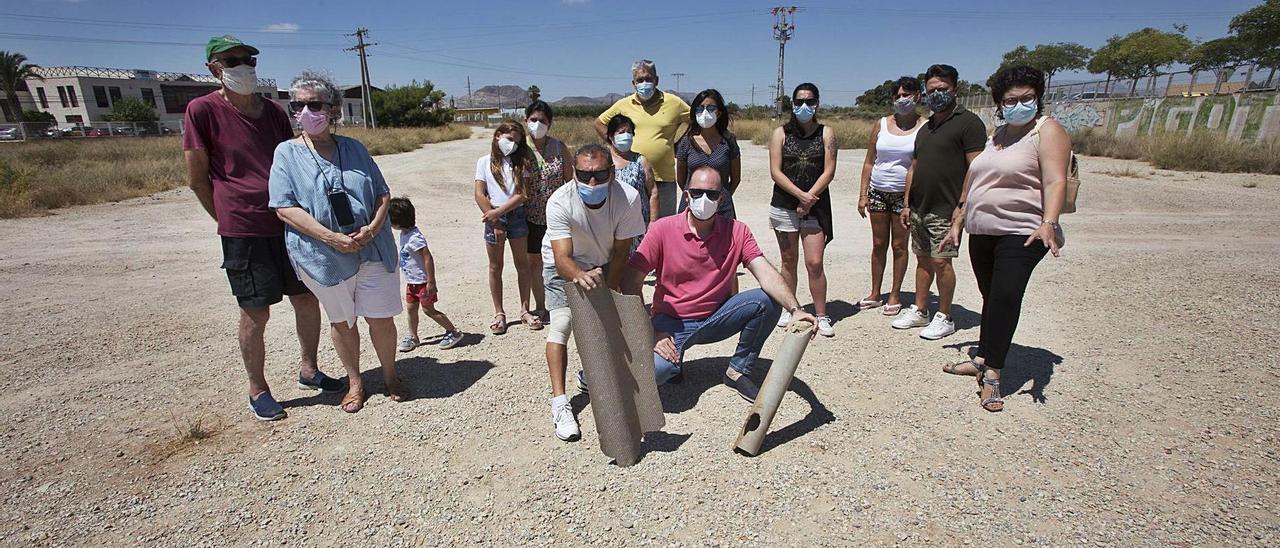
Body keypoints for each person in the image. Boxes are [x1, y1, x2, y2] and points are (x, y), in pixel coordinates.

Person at [184, 36, 340, 422]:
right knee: (256, 311)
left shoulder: (272, 111)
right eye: (232, 60)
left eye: (248, 58)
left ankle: (309, 369)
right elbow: (197, 177)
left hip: (288, 222)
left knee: (306, 298)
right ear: (214, 68)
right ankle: (258, 388)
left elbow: (292, 158)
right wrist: (226, 217)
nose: (243, 65)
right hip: (244, 229)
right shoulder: (201, 110)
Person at [267, 71, 405, 414]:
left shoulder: (354, 148)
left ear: (332, 110)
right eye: (297, 105)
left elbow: (383, 193)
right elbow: (284, 207)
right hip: (324, 254)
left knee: (381, 317)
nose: (306, 111)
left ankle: (391, 376)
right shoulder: (286, 153)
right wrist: (331, 237)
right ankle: (355, 382)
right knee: (342, 321)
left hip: (372, 247)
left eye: (314, 104)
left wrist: (372, 229)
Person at [622, 166, 817, 403]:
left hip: (716, 317)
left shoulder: (737, 231)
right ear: (686, 195)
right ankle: (673, 360)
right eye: (697, 192)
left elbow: (765, 272)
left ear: (721, 198)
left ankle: (738, 370)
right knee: (657, 372)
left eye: (712, 194)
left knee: (767, 301)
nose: (704, 199)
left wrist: (796, 310)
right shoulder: (663, 229)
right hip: (670, 323)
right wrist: (650, 332)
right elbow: (630, 283)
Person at [938, 66, 1069, 412]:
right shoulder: (999, 135)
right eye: (1011, 100)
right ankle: (982, 356)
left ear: (1038, 97)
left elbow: (1056, 181)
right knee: (990, 297)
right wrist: (958, 219)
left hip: (1024, 231)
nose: (1019, 104)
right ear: (999, 103)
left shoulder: (1047, 131)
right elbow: (975, 179)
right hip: (982, 231)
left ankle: (993, 373)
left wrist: (1049, 223)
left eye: (1027, 98)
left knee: (1006, 296)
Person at [542, 144, 647, 441]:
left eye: (600, 174)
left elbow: (622, 250)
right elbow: (562, 258)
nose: (592, 182)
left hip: (604, 261)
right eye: (584, 174)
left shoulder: (628, 198)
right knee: (563, 324)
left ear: (612, 172)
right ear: (573, 172)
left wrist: (611, 289)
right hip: (564, 265)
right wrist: (579, 275)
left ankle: (590, 376)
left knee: (610, 324)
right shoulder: (560, 201)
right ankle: (560, 403)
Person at [894, 64, 987, 340]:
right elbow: (914, 167)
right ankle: (921, 309)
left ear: (955, 89)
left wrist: (962, 206)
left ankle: (945, 315)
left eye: (943, 89)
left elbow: (976, 168)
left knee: (941, 261)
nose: (937, 94)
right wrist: (907, 203)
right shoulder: (927, 127)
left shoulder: (968, 123)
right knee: (922, 259)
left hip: (946, 207)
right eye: (932, 90)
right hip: (920, 207)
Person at [768, 83, 838, 337]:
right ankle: (791, 308)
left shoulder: (826, 133)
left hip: (816, 207)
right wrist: (799, 195)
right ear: (792, 104)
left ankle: (822, 314)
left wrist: (809, 198)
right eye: (798, 102)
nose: (804, 107)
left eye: (809, 101)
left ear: (817, 103)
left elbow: (829, 170)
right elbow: (775, 171)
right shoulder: (780, 134)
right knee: (788, 260)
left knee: (814, 261)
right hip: (785, 205)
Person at [857, 76, 925, 317]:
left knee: (899, 245)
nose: (901, 100)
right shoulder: (882, 124)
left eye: (906, 95)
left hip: (904, 195)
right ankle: (875, 293)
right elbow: (869, 161)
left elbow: (919, 164)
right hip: (878, 190)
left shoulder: (924, 126)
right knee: (878, 244)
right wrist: (863, 194)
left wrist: (909, 200)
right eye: (897, 96)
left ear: (917, 96)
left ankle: (895, 293)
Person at [595, 59, 690, 219]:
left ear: (656, 80)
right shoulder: (624, 105)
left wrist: (680, 144)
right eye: (640, 80)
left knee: (664, 227)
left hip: (663, 178)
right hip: (633, 177)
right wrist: (615, 146)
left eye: (648, 79)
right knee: (631, 225)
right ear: (633, 83)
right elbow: (599, 123)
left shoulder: (673, 103)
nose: (644, 83)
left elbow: (693, 119)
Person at [475, 121, 541, 335]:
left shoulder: (521, 163)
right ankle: (499, 313)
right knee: (495, 266)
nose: (512, 145)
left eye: (517, 141)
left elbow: (522, 194)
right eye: (509, 139)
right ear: (498, 136)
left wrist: (499, 213)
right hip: (493, 217)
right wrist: (494, 219)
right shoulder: (483, 162)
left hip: (516, 216)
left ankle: (525, 309)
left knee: (523, 264)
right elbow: (479, 193)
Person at [389, 197, 463, 352]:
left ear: (397, 222)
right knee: (411, 308)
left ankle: (453, 331)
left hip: (422, 282)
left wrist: (431, 281)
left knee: (428, 309)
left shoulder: (415, 238)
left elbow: (427, 257)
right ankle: (413, 337)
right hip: (412, 282)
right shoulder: (404, 234)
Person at [522, 101, 574, 319]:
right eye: (533, 120)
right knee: (534, 261)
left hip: (557, 216)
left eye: (542, 121)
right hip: (530, 216)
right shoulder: (520, 148)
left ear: (550, 124)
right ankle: (541, 305)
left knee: (561, 259)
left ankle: (564, 304)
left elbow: (570, 180)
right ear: (526, 121)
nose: (537, 124)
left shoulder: (559, 147)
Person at [676, 88, 741, 219]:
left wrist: (718, 197)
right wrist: (696, 196)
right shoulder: (686, 142)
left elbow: (735, 178)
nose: (705, 112)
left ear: (720, 112)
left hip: (722, 208)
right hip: (692, 206)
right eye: (700, 109)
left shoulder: (729, 142)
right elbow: (681, 179)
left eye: (710, 108)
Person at [605, 115, 659, 229]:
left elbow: (653, 192)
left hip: (638, 225)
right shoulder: (604, 161)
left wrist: (653, 222)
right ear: (611, 136)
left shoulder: (640, 161)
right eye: (621, 132)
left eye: (629, 132)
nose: (626, 135)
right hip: (610, 225)